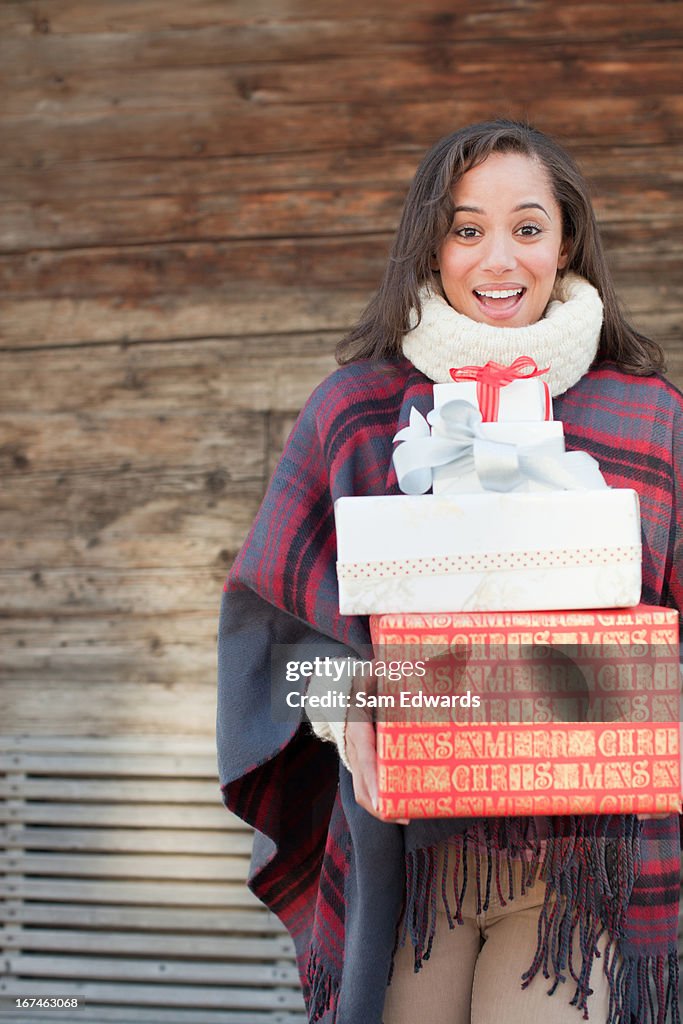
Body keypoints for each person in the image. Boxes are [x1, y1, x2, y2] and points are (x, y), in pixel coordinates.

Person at [217, 120, 682, 1024]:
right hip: (406, 855)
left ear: (566, 240)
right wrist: (349, 710)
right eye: (466, 228)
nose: (497, 258)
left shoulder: (649, 415)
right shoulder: (355, 408)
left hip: (578, 861)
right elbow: (275, 642)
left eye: (527, 227)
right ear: (430, 241)